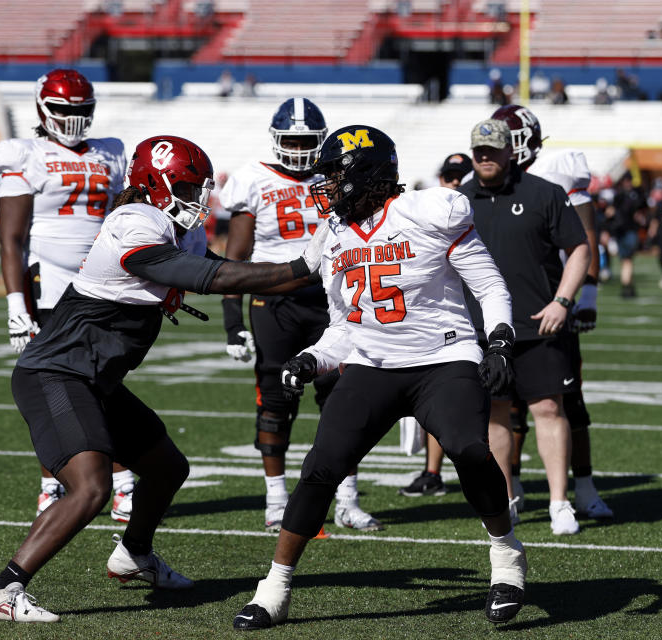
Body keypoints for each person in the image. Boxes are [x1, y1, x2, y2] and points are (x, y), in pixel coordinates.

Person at [0, 135, 326, 624]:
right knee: (91, 489)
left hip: (95, 379)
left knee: (166, 467)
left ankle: (134, 553)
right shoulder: (132, 223)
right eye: (188, 185)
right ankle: (1, 589)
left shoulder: (177, 231)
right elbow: (215, 278)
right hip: (56, 373)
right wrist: (303, 264)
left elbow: (234, 270)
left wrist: (317, 269)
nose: (200, 197)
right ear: (156, 184)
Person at [233, 125, 527, 629]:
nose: (324, 185)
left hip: (443, 358)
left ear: (366, 174)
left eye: (333, 174)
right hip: (372, 364)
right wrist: (313, 359)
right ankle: (274, 587)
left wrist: (499, 339)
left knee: (469, 448)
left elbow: (490, 285)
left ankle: (507, 559)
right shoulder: (333, 235)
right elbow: (345, 326)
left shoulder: (430, 210)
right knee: (321, 467)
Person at [219, 97, 381, 532]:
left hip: (332, 298)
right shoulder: (253, 179)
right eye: (290, 140)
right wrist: (232, 321)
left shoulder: (334, 174)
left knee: (344, 399)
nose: (297, 149)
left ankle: (347, 499)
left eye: (306, 140)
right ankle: (276, 500)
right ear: (275, 140)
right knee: (275, 401)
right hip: (274, 302)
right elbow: (236, 258)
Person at [0, 68, 136, 522]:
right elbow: (11, 238)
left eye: (80, 111)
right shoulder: (25, 153)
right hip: (49, 286)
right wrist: (17, 304)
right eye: (63, 110)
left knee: (106, 383)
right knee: (54, 393)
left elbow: (123, 218)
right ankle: (51, 485)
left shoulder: (111, 152)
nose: (72, 119)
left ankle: (124, 481)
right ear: (42, 109)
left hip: (101, 285)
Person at [458, 119, 591, 535]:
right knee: (495, 416)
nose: (484, 158)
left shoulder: (543, 193)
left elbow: (581, 248)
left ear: (510, 152)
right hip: (484, 329)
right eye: (478, 151)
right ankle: (505, 497)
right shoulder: (459, 200)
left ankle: (559, 502)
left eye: (492, 151)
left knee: (549, 408)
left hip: (539, 324)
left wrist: (563, 301)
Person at [489, 104, 613, 522]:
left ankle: (582, 487)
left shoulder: (557, 169)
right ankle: (514, 484)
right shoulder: (487, 175)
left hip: (553, 297)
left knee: (563, 401)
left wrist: (587, 295)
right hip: (502, 304)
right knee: (505, 405)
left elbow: (586, 234)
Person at [398, 151, 474, 499]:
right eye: (450, 176)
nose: (455, 183)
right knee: (435, 398)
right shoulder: (428, 214)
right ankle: (432, 472)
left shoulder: (475, 211)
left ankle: (506, 477)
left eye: (462, 177)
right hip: (439, 319)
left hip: (476, 318)